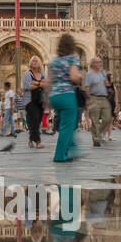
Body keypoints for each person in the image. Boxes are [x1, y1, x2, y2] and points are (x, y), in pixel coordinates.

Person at [50, 33, 85, 162]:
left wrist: (47, 100)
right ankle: (59, 156)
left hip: (55, 96)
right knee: (67, 127)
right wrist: (80, 75)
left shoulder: (55, 61)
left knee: (66, 124)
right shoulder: (72, 59)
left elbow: (49, 80)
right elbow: (74, 77)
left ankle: (69, 150)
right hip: (67, 96)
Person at [83, 57, 111, 147]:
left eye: (100, 62)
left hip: (104, 97)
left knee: (107, 118)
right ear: (93, 64)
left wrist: (107, 82)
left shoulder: (103, 72)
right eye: (98, 62)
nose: (100, 63)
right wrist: (88, 99)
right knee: (95, 120)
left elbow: (107, 83)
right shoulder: (89, 74)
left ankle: (97, 135)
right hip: (94, 97)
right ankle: (96, 139)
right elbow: (87, 87)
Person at [22, 57, 47, 148]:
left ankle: (30, 139)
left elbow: (46, 85)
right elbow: (27, 87)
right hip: (30, 100)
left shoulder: (43, 74)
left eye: (36, 61)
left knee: (37, 121)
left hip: (41, 100)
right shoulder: (27, 74)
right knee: (35, 119)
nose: (35, 62)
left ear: (40, 63)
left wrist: (35, 83)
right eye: (33, 60)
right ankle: (38, 142)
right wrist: (40, 84)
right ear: (30, 63)